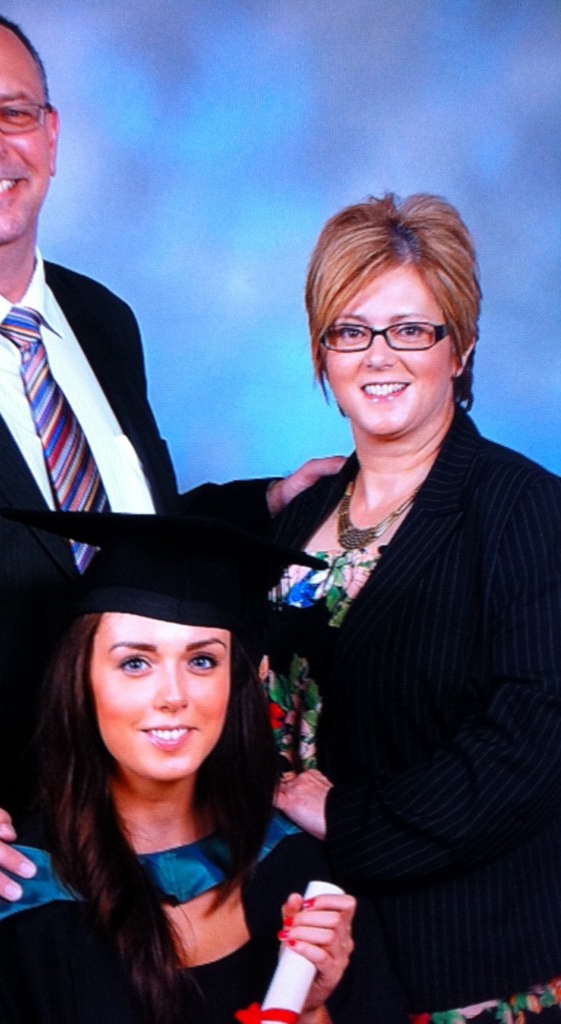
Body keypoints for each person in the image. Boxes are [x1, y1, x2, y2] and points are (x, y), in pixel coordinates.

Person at [0, 8, 335, 1016]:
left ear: (51, 132)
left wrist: (256, 505)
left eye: (11, 111)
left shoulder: (99, 319)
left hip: (167, 871)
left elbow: (100, 535)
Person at [0, 512, 407, 1024]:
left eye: (202, 661)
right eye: (134, 663)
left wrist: (311, 1007)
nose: (172, 695)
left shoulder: (293, 867)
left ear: (237, 681)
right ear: (82, 681)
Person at [266, 193, 561, 1022]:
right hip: (325, 952)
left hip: (471, 964)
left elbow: (532, 743)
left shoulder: (524, 511)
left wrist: (349, 817)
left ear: (460, 347)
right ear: (323, 354)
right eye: (350, 330)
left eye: (411, 329)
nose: (378, 355)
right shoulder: (300, 515)